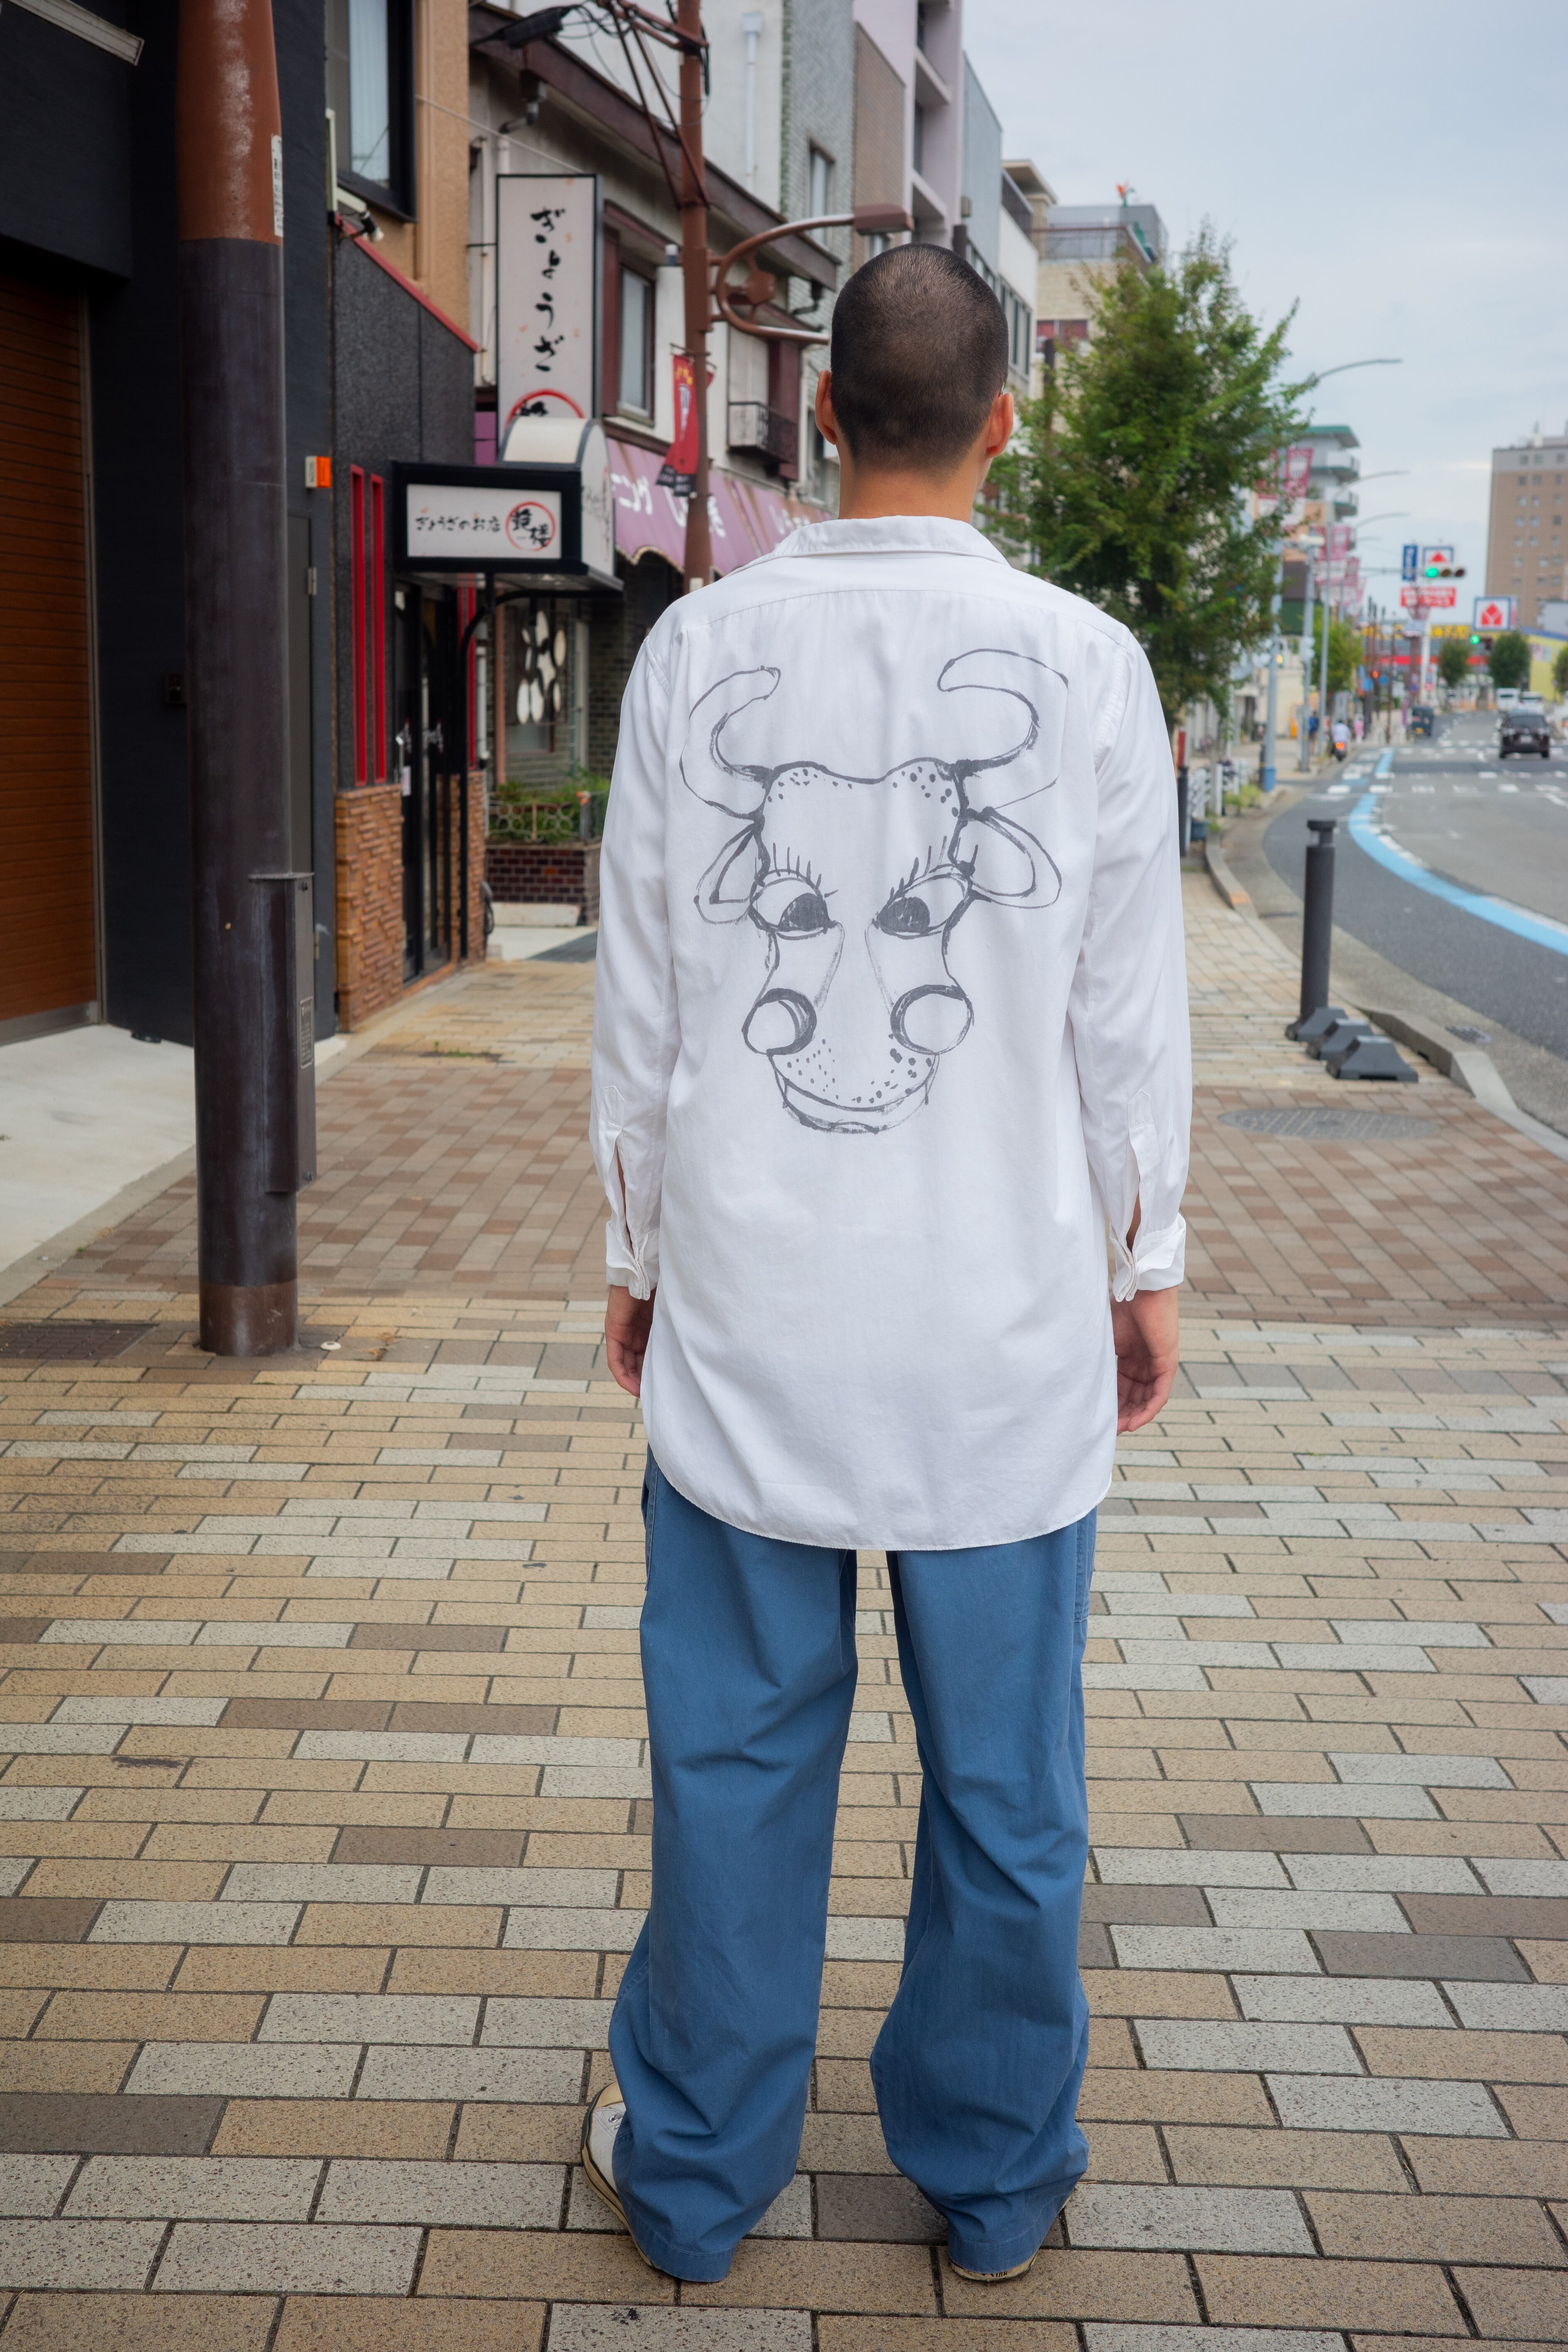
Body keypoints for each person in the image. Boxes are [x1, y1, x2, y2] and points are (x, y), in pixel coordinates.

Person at [585, 243, 1190, 2288]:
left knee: (731, 1759)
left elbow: (644, 1010)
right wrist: (1144, 1257)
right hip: (1000, 1320)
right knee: (1006, 1785)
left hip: (752, 1307)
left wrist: (635, 1246)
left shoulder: (695, 653)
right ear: (1002, 422)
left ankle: (693, 2178)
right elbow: (1124, 1021)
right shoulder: (1088, 665)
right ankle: (993, 2176)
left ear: (822, 414)